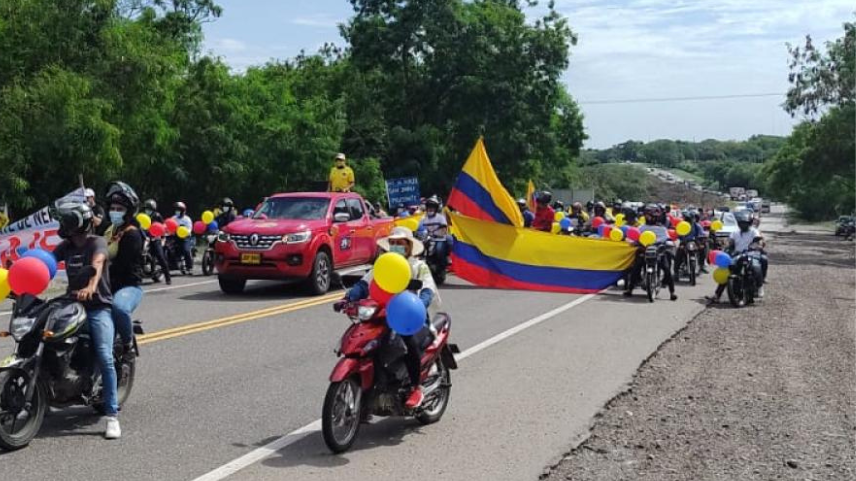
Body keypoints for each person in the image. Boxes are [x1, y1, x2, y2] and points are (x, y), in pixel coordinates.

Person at [341, 227, 437, 409]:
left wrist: (420, 303)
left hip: (410, 319)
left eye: (400, 243)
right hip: (383, 314)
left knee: (408, 343)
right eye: (392, 243)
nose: (395, 246)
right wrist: (348, 298)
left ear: (409, 246)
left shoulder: (418, 266)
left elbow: (427, 289)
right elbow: (364, 284)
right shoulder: (383, 264)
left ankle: (416, 387)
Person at [51, 201, 121, 439]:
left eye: (68, 220)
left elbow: (97, 263)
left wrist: (91, 286)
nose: (64, 224)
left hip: (97, 306)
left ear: (79, 222)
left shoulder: (97, 242)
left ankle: (112, 416)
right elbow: (46, 262)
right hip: (71, 304)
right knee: (45, 338)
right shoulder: (66, 246)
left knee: (104, 356)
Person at [103, 182, 144, 359]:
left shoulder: (132, 234)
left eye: (119, 209)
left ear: (128, 212)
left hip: (127, 285)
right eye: (112, 208)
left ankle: (128, 345)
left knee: (118, 308)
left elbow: (121, 266)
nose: (115, 211)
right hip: (105, 284)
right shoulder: (109, 230)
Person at [706, 211, 768, 303]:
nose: (743, 225)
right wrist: (726, 246)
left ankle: (760, 287)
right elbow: (730, 241)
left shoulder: (754, 231)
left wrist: (758, 245)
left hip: (752, 253)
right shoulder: (735, 232)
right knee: (727, 271)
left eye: (745, 223)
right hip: (737, 255)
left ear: (749, 223)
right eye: (741, 223)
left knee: (755, 267)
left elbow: (759, 241)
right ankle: (717, 295)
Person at [624, 204, 677, 301]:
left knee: (667, 269)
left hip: (658, 252)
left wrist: (668, 243)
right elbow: (636, 238)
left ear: (655, 216)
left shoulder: (662, 228)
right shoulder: (642, 227)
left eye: (649, 215)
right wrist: (634, 243)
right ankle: (630, 289)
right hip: (644, 251)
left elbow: (667, 239)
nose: (647, 217)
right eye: (646, 215)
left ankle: (672, 292)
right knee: (636, 267)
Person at [142, 199, 171, 285]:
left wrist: (163, 237)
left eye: (149, 208)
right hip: (144, 238)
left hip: (155, 238)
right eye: (146, 208)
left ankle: (168, 277)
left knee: (160, 256)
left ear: (153, 209)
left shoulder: (157, 216)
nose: (147, 210)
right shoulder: (143, 216)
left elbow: (163, 226)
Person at [418, 196, 450, 265]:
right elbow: (420, 229)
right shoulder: (423, 219)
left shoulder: (441, 218)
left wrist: (436, 233)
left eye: (432, 207)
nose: (430, 208)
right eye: (429, 207)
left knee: (439, 249)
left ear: (436, 208)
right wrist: (420, 234)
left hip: (439, 239)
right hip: (427, 238)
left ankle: (444, 262)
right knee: (419, 248)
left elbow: (444, 229)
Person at [673, 211, 705, 278]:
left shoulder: (696, 225)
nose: (689, 220)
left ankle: (701, 266)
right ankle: (676, 271)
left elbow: (701, 233)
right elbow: (678, 234)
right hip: (684, 242)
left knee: (702, 249)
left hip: (694, 242)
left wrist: (701, 242)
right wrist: (679, 239)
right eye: (687, 218)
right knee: (679, 253)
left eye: (691, 218)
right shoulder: (682, 225)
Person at [173, 202, 193, 274]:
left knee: (186, 251)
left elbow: (189, 229)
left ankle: (189, 267)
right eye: (176, 210)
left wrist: (184, 232)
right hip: (175, 237)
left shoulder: (187, 219)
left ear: (182, 211)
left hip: (185, 237)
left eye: (178, 210)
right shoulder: (173, 218)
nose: (177, 211)